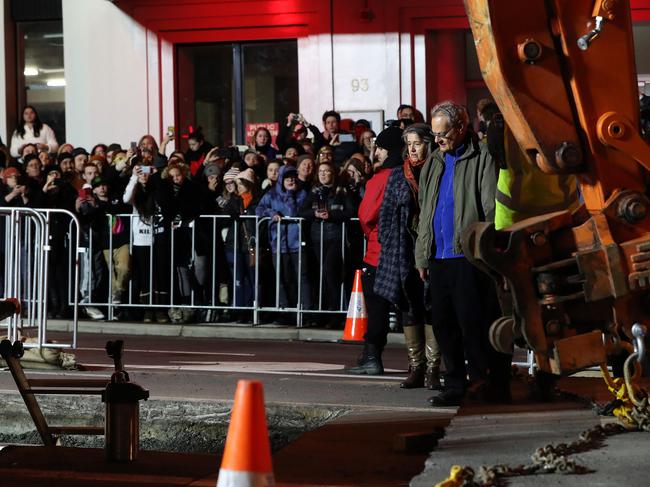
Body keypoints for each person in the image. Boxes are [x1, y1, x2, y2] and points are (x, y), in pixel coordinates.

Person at [415, 100, 507, 407]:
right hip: (438, 258)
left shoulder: (481, 156)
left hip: (468, 258)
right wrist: (422, 255)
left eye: (443, 133)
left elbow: (490, 208)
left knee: (473, 325)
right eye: (434, 133)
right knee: (444, 326)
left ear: (461, 127)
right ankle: (454, 384)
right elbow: (426, 210)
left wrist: (486, 252)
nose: (438, 139)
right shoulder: (434, 162)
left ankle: (481, 382)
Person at [374, 123, 441, 389]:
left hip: (433, 247)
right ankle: (416, 366)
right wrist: (389, 242)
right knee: (409, 305)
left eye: (418, 143)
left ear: (429, 143)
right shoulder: (397, 175)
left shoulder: (439, 168)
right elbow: (387, 214)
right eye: (409, 144)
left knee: (433, 306)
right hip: (403, 248)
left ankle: (434, 367)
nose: (413, 149)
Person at [346, 125, 404, 375]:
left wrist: (371, 233)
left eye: (378, 147)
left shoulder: (381, 178)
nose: (375, 151)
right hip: (407, 251)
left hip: (379, 251)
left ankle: (372, 356)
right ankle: (423, 362)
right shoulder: (411, 174)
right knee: (412, 309)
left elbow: (366, 214)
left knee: (377, 306)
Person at [299, 161, 357, 312]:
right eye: (321, 172)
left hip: (336, 238)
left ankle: (336, 310)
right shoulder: (315, 191)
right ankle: (325, 311)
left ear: (333, 173)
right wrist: (314, 214)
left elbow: (351, 212)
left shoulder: (342, 190)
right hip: (318, 238)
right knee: (322, 276)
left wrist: (331, 215)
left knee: (329, 271)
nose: (323, 174)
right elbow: (301, 212)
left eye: (326, 171)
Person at [256, 165, 311, 320]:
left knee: (301, 277)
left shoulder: (301, 194)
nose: (291, 180)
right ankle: (284, 310)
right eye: (287, 178)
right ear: (281, 179)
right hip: (278, 243)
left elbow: (295, 213)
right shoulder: (271, 195)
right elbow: (259, 209)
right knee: (282, 278)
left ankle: (304, 312)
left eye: (293, 177)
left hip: (297, 242)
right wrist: (271, 213)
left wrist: (290, 195)